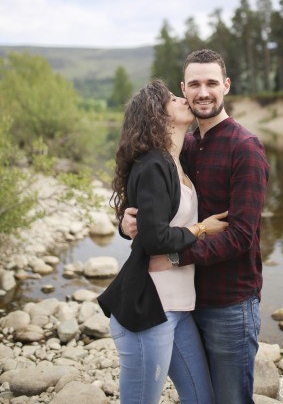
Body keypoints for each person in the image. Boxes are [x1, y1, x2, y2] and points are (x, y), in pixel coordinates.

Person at [121, 50, 270, 404]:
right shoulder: (184, 146)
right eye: (195, 84)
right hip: (185, 301)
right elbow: (158, 209)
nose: (203, 92)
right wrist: (127, 221)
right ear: (183, 89)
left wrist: (174, 257)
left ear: (226, 86)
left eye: (212, 83)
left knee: (230, 399)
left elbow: (240, 236)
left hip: (229, 304)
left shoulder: (245, 148)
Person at [97, 78, 229, 404]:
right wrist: (200, 229)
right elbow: (155, 238)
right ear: (157, 114)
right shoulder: (154, 163)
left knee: (202, 397)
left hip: (180, 307)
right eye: (172, 98)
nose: (182, 98)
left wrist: (126, 223)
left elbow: (141, 220)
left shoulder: (176, 161)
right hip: (149, 310)